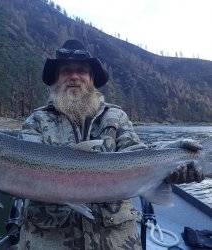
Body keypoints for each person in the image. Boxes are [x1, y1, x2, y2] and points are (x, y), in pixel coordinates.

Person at [13, 39, 204, 250]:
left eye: (81, 71)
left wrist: (172, 153)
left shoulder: (116, 116)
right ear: (56, 80)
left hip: (115, 240)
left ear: (92, 79)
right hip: (48, 240)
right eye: (66, 71)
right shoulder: (36, 121)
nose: (74, 76)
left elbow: (135, 153)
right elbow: (21, 169)